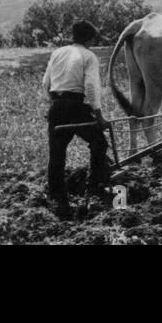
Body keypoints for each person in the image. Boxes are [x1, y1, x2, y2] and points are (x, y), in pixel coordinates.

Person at [42, 20, 111, 217]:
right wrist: (99, 117)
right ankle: (95, 189)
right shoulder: (89, 56)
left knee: (57, 153)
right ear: (90, 39)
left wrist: (53, 105)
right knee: (99, 142)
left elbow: (45, 83)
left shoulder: (57, 53)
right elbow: (90, 87)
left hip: (56, 106)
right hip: (76, 106)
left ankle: (57, 198)